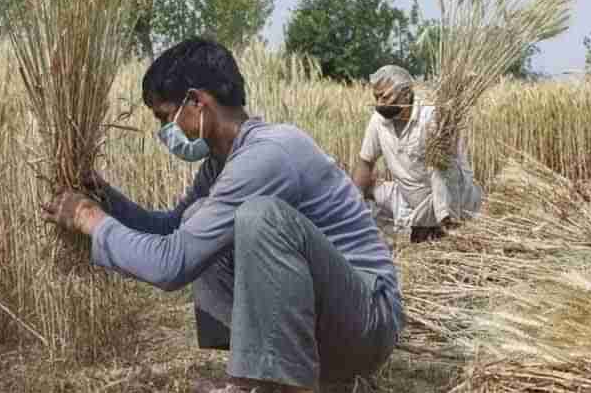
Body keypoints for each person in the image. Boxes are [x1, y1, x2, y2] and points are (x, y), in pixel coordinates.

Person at [41, 39, 403, 393]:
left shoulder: (269, 154)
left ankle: (279, 381)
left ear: (197, 102)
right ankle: (271, 375)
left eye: (166, 117)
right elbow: (174, 230)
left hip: (366, 323)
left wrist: (91, 220)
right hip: (328, 327)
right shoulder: (224, 159)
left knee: (262, 218)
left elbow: (172, 263)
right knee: (202, 217)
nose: (167, 133)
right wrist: (105, 198)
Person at [352, 65, 483, 243]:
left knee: (440, 166)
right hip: (409, 200)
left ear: (406, 93)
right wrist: (354, 199)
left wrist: (443, 219)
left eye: (385, 97)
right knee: (367, 189)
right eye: (376, 97)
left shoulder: (433, 118)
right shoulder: (379, 121)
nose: (380, 104)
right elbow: (365, 162)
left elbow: (445, 170)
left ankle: (444, 226)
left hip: (452, 201)